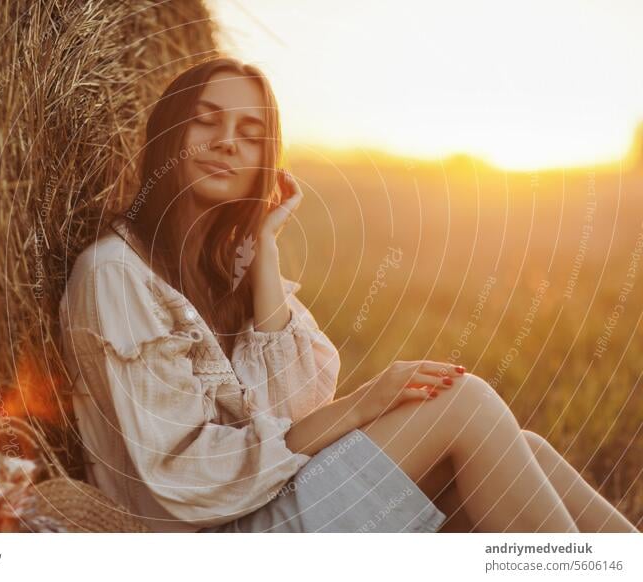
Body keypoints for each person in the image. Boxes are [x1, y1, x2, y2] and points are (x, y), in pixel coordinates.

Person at [58, 56, 638, 533]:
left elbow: (296, 411)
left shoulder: (213, 274)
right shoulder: (116, 275)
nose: (227, 143)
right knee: (469, 407)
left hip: (255, 506)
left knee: (521, 449)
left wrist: (264, 247)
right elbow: (191, 473)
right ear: (169, 131)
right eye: (206, 121)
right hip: (210, 539)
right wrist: (364, 402)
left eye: (251, 134)